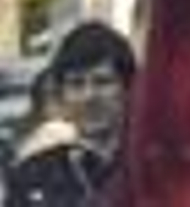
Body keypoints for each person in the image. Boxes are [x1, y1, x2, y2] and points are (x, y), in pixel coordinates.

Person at [3, 21, 134, 205]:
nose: (89, 96)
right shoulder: (31, 176)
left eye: (103, 81)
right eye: (76, 84)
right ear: (62, 95)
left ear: (128, 89)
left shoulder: (158, 170)